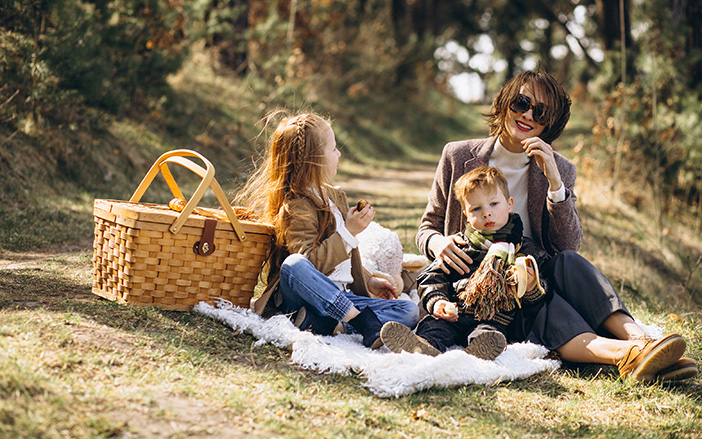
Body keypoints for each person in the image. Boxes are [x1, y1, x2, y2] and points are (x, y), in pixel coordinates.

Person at [414, 70, 697, 382]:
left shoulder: (560, 168)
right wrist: (438, 244)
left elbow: (567, 245)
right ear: (506, 101)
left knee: (569, 262)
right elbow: (427, 227)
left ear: (551, 123)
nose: (528, 115)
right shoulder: (458, 155)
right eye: (522, 102)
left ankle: (640, 341)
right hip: (480, 285)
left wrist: (555, 184)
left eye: (541, 111)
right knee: (545, 305)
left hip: (537, 273)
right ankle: (629, 356)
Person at [239, 111, 419, 349]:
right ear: (313, 160)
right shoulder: (296, 205)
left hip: (340, 298)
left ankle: (326, 324)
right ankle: (361, 323)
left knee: (409, 311)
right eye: (333, 149)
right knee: (294, 264)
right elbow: (310, 264)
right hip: (304, 295)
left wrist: (370, 281)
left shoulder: (334, 199)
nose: (339, 154)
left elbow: (343, 266)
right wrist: (348, 233)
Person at [382, 166, 549, 361]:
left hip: (493, 318)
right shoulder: (459, 245)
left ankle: (481, 350)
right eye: (476, 209)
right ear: (466, 215)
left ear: (510, 204)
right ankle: (423, 347)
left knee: (488, 333)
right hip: (453, 311)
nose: (486, 213)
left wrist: (530, 286)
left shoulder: (524, 250)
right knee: (434, 326)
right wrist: (437, 302)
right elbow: (432, 276)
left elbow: (542, 291)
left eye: (494, 204)